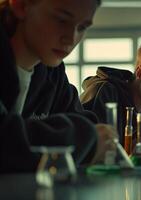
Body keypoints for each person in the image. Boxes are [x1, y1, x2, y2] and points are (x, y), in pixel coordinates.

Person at [0, 0, 114, 173]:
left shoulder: (52, 73)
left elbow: (90, 127)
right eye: (61, 20)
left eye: (82, 27)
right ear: (20, 5)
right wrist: (85, 138)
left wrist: (89, 138)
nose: (71, 38)